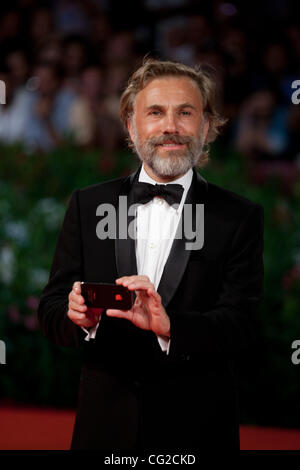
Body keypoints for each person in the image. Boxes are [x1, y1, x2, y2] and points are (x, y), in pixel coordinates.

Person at [38, 59, 264, 453]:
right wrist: (78, 318)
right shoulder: (89, 205)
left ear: (207, 127)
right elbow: (51, 311)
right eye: (155, 112)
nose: (170, 126)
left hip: (197, 433)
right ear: (131, 126)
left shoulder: (238, 217)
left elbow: (242, 327)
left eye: (186, 112)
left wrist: (171, 326)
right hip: (104, 433)